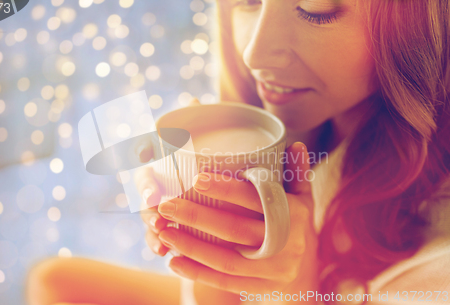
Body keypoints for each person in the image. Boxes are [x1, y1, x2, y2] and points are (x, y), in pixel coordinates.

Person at [25, 0, 450, 304]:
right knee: (53, 282)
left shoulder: (436, 269)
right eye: (248, 1)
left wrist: (296, 292)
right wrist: (206, 249)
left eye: (315, 10)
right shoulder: (296, 132)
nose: (254, 54)